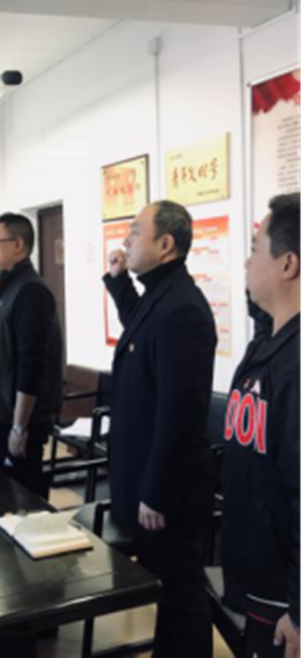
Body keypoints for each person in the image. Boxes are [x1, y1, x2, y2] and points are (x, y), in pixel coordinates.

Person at [104, 200, 216, 658]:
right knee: (167, 590)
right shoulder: (162, 295)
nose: (125, 240)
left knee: (182, 592)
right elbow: (140, 327)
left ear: (165, 244)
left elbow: (179, 410)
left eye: (135, 232)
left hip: (169, 490)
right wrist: (118, 282)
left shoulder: (182, 308)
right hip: (151, 479)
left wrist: (155, 489)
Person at [222, 193, 301, 658]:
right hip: (259, 581)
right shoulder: (271, 341)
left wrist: (301, 609)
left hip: (285, 602)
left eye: (255, 249)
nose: (247, 262)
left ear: (288, 263)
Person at [0, 213, 63, 499]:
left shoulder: (30, 290)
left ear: (18, 244)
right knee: (2, 494)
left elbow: (32, 364)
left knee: (24, 496)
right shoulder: (6, 285)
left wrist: (20, 426)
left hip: (15, 419)